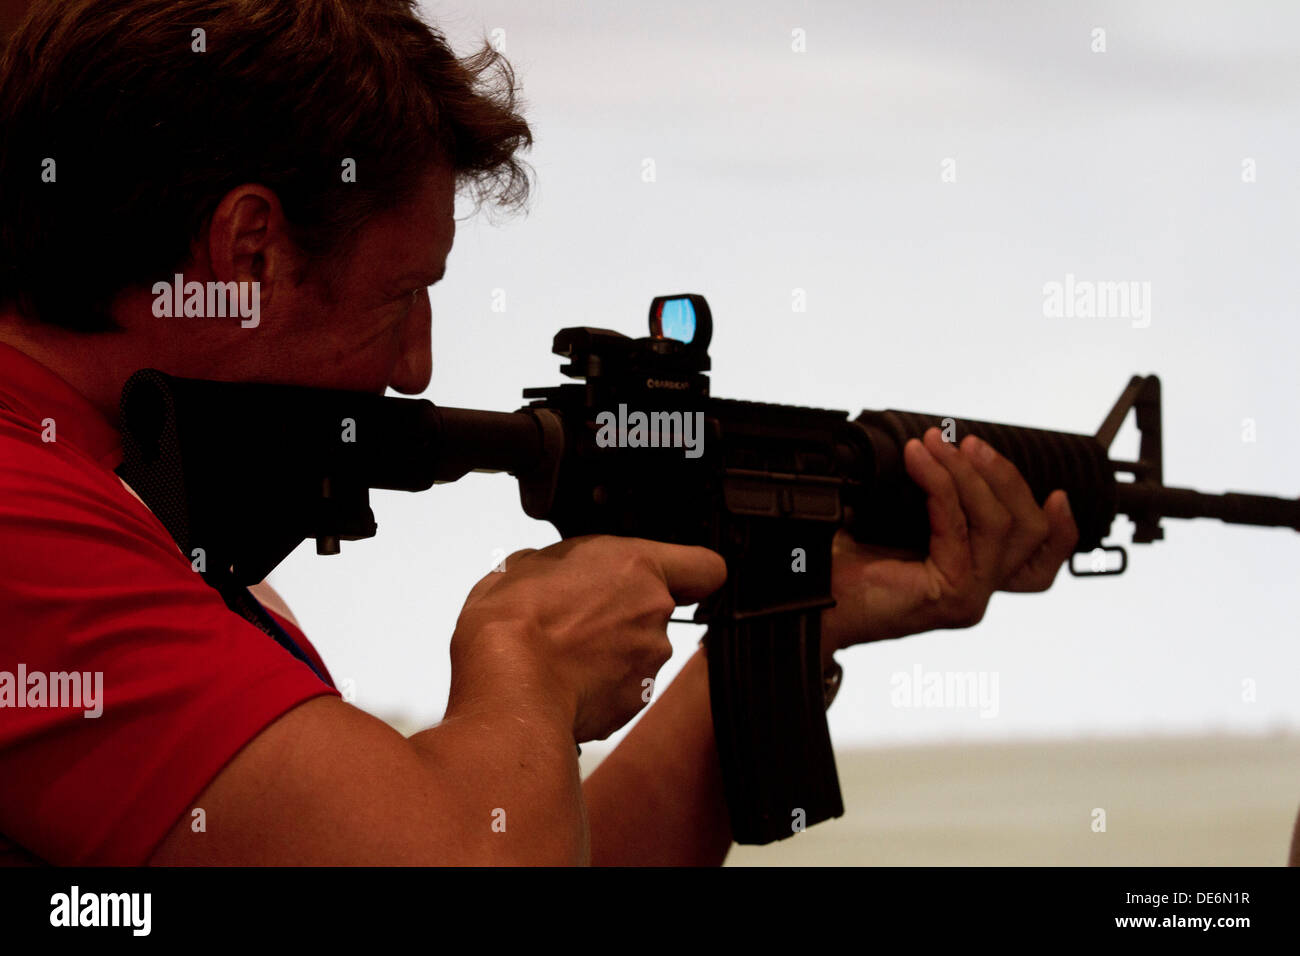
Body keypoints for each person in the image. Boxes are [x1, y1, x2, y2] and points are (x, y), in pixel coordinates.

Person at [0, 0, 1078, 865]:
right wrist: (526, 659)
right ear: (249, 254)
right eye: (400, 293)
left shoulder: (109, 509)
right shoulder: (29, 530)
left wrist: (793, 620)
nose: (414, 365)